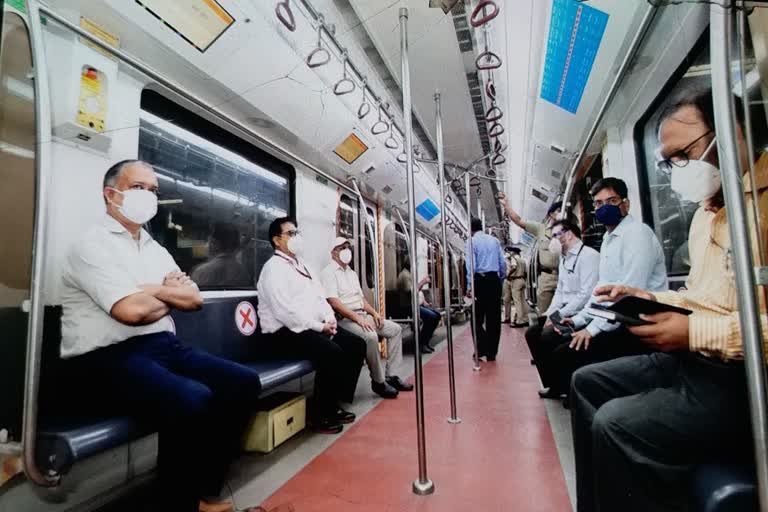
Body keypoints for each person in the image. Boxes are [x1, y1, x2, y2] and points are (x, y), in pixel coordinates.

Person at [570, 88, 768, 512]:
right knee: (586, 381)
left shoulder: (761, 207)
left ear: (730, 134)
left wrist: (694, 331)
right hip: (695, 361)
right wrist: (647, 297)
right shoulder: (706, 213)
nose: (679, 169)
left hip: (744, 377)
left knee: (615, 424)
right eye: (670, 160)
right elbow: (700, 295)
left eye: (684, 154)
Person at [60, 160, 265, 512]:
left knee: (243, 383)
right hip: (106, 358)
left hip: (163, 346)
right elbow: (130, 312)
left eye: (154, 190)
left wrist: (150, 290)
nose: (149, 196)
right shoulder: (90, 246)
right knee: (193, 398)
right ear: (112, 195)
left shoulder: (155, 248)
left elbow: (194, 298)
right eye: (139, 188)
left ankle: (202, 489)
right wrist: (167, 294)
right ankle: (179, 503)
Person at [534, 178, 668, 401]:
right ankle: (564, 390)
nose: (604, 207)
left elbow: (628, 296)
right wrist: (578, 320)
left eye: (611, 200)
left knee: (564, 352)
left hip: (636, 323)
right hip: (614, 317)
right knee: (550, 338)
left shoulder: (637, 235)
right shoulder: (608, 239)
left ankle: (574, 394)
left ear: (625, 203)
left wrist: (592, 329)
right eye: (598, 203)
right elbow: (600, 290)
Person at [257, 218, 366, 434]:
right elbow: (285, 312)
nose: (297, 237)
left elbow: (319, 296)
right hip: (283, 333)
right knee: (332, 353)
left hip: (310, 328)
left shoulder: (303, 265)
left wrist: (329, 318)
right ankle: (319, 415)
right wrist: (319, 327)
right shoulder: (273, 269)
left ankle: (335, 403)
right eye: (291, 233)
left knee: (356, 344)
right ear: (277, 240)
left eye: (297, 232)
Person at [321, 237, 413, 399]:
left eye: (348, 247)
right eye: (342, 247)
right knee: (370, 336)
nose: (346, 250)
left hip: (361, 316)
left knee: (395, 329)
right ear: (333, 252)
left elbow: (361, 300)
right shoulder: (328, 273)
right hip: (344, 320)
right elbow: (334, 302)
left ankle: (392, 376)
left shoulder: (352, 273)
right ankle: (378, 382)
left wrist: (374, 313)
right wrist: (357, 318)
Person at [524, 219, 599, 393]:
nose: (553, 240)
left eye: (556, 235)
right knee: (532, 333)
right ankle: (553, 384)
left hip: (582, 314)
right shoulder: (564, 259)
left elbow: (585, 294)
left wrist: (559, 315)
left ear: (569, 234)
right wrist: (550, 313)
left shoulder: (588, 256)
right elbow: (560, 291)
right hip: (565, 311)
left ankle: (564, 385)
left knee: (548, 336)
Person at [498, 194, 561, 314]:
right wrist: (507, 207)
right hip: (546, 278)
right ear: (551, 214)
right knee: (545, 313)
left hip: (564, 276)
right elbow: (519, 220)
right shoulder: (540, 229)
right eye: (558, 210)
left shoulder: (569, 230)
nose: (562, 213)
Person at [465, 217, 506, 361]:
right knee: (494, 319)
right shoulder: (494, 241)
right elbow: (502, 263)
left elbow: (471, 265)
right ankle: (492, 353)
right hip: (494, 280)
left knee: (476, 318)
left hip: (480, 281)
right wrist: (500, 279)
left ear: (471, 229)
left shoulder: (471, 241)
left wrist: (470, 285)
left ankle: (481, 348)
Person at [395, 260, 438, 353]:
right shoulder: (404, 275)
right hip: (407, 307)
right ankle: (422, 343)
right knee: (432, 317)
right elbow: (412, 292)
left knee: (437, 315)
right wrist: (423, 282)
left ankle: (425, 342)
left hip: (412, 305)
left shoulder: (408, 274)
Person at [190, 222, 251, 288]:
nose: (206, 246)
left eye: (208, 242)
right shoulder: (244, 273)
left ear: (214, 243)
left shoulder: (201, 272)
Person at [506, 247, 528, 327]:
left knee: (517, 301)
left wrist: (508, 275)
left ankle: (519, 321)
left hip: (516, 280)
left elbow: (514, 267)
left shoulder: (514, 258)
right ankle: (526, 319)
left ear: (514, 252)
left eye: (511, 251)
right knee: (523, 301)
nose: (510, 253)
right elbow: (525, 273)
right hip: (522, 280)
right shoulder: (523, 260)